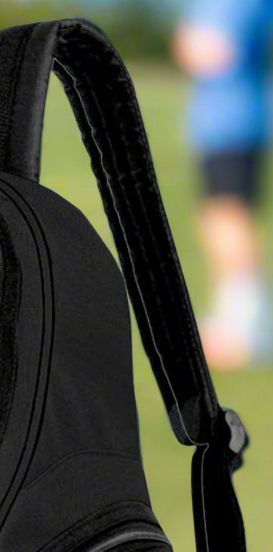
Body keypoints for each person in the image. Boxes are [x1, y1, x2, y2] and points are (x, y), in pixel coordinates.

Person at [174, 0, 273, 369]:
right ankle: (233, 323)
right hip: (218, 127)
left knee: (229, 218)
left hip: (234, 123)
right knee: (216, 220)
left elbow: (214, 51)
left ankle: (245, 330)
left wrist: (189, 43)